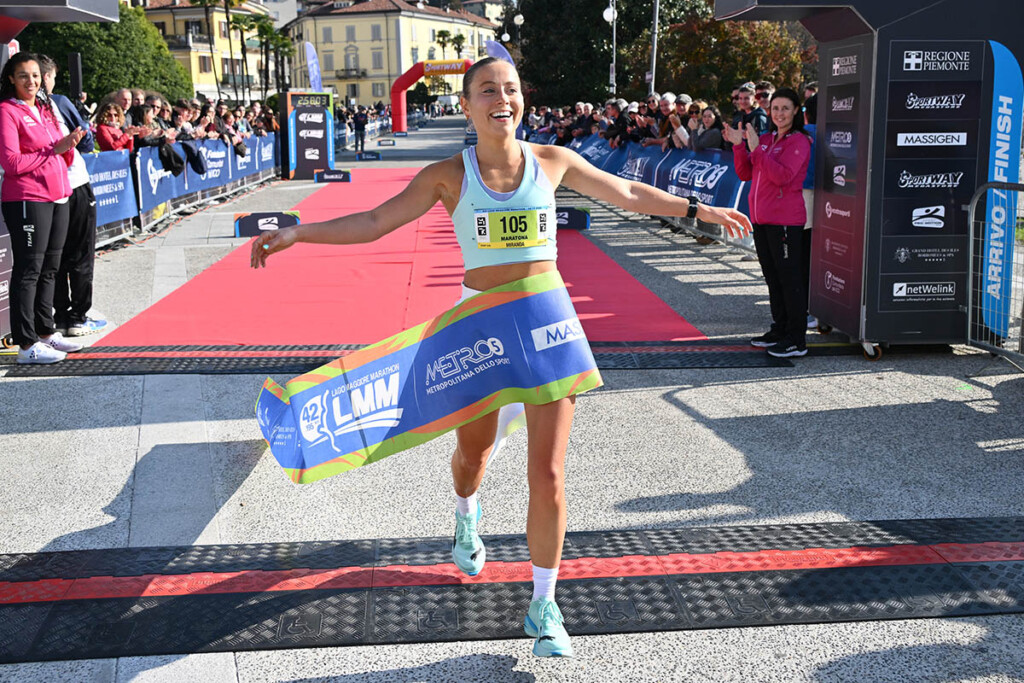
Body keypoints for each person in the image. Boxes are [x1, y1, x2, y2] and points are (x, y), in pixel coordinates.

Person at [250, 57, 750, 658]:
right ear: (466, 105)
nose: (501, 99)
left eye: (510, 89)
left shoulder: (553, 161)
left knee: (549, 473)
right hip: (479, 331)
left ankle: (544, 605)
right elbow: (376, 221)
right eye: (487, 90)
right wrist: (298, 232)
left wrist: (697, 210)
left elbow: (627, 191)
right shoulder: (446, 175)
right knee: (474, 455)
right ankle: (466, 513)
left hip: (547, 326)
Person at [0, 52, 86, 363]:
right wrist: (54, 150)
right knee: (29, 270)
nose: (31, 81)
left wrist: (69, 145)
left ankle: (46, 332)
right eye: (23, 75)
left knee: (50, 269)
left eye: (35, 75)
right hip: (27, 197)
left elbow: (60, 155)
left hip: (58, 195)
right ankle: (26, 345)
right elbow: (11, 163)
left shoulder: (45, 108)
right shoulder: (7, 110)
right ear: (11, 78)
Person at [725, 87, 812, 358]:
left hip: (785, 221)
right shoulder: (765, 139)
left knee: (789, 279)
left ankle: (796, 339)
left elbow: (782, 177)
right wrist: (739, 146)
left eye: (785, 108)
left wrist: (756, 151)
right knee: (773, 278)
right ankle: (780, 329)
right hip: (761, 220)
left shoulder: (799, 141)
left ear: (796, 111)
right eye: (775, 108)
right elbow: (745, 173)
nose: (779, 113)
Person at [38, 54, 107, 337]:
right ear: (47, 77)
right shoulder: (59, 102)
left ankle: (61, 315)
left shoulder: (15, 107)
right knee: (79, 253)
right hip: (72, 184)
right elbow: (87, 140)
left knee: (56, 255)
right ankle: (77, 317)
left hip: (46, 190)